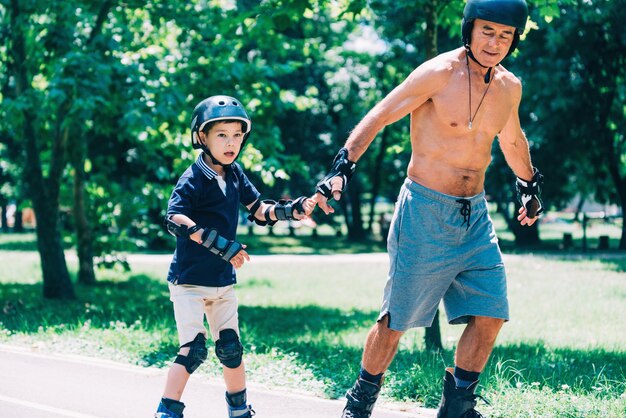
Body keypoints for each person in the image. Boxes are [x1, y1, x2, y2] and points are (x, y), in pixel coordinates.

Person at [313, 1, 544, 417]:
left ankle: (456, 404)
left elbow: (512, 139)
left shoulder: (509, 86)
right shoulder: (439, 73)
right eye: (487, 31)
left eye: (505, 35)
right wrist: (342, 167)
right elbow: (381, 115)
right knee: (396, 320)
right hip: (424, 211)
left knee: (491, 314)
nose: (495, 42)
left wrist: (528, 185)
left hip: (475, 216)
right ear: (469, 30)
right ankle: (361, 399)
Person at [155, 95, 315, 418]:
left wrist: (291, 210)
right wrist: (222, 246)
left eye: (237, 135)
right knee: (193, 350)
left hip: (222, 282)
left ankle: (239, 410)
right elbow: (175, 218)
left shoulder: (235, 174)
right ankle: (167, 411)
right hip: (189, 282)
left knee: (231, 348)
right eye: (222, 135)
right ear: (202, 137)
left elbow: (259, 210)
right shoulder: (193, 178)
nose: (232, 143)